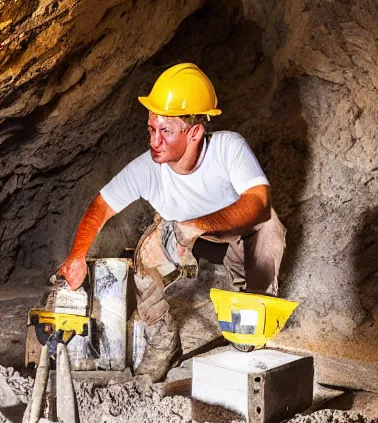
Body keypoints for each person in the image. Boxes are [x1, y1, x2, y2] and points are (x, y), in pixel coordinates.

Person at [57, 63, 286, 381]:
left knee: (268, 228)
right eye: (152, 129)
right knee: (149, 252)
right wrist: (77, 254)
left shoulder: (228, 148)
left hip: (236, 237)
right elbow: (101, 206)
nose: (155, 140)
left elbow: (259, 204)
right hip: (182, 242)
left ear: (194, 133)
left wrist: (195, 226)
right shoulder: (148, 168)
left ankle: (252, 311)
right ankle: (163, 344)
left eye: (166, 131)